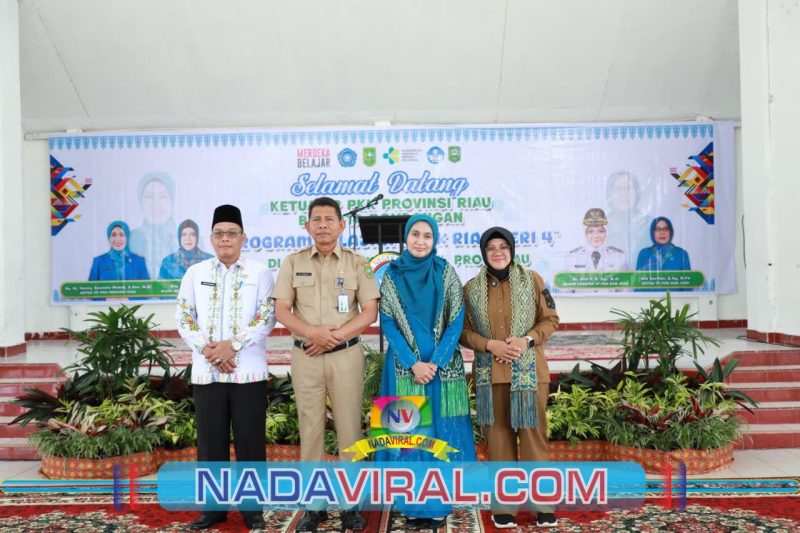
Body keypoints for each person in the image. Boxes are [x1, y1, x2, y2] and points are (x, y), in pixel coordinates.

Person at [272, 196, 379, 533]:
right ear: (307, 226)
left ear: (341, 225)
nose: (322, 225)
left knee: (349, 429)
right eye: (316, 220)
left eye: (329, 219)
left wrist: (332, 337)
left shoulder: (358, 263)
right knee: (311, 431)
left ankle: (351, 505)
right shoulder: (293, 262)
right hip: (306, 356)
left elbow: (369, 312)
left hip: (346, 356)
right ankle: (313, 507)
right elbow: (282, 310)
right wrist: (312, 334)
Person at [175, 204, 276, 531]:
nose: (225, 239)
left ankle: (253, 511)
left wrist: (232, 345)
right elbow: (184, 317)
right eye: (219, 233)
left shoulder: (260, 273)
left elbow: (266, 317)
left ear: (243, 237)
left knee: (250, 444)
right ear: (211, 238)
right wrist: (210, 350)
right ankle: (213, 509)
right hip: (207, 373)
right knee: (210, 445)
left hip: (248, 373)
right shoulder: (196, 273)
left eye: (232, 233)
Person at [376, 214, 475, 531]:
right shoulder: (391, 275)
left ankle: (437, 507)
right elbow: (387, 322)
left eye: (427, 236)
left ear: (435, 240)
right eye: (415, 234)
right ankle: (411, 504)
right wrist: (413, 364)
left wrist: (436, 362)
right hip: (403, 370)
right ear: (406, 238)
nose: (421, 241)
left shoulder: (445, 272)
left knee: (439, 436)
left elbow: (456, 320)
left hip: (442, 373)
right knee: (410, 436)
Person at [461, 227, 560, 529]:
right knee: (499, 443)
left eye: (503, 246)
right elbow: (463, 332)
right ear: (483, 253)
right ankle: (504, 506)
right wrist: (490, 345)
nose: (498, 252)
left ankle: (543, 504)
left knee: (533, 439)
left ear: (512, 250)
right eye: (491, 248)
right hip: (490, 376)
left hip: (529, 374)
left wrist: (526, 340)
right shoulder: (471, 288)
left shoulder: (533, 280)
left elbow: (550, 319)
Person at [129, 171, 178, 277]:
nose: (156, 203)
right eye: (149, 197)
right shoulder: (129, 239)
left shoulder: (187, 238)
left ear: (172, 201)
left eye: (163, 196)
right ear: (141, 202)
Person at [605, 170, 653, 268]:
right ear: (610, 194)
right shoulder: (600, 226)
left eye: (628, 189)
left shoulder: (651, 225)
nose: (624, 194)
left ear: (636, 193)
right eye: (618, 189)